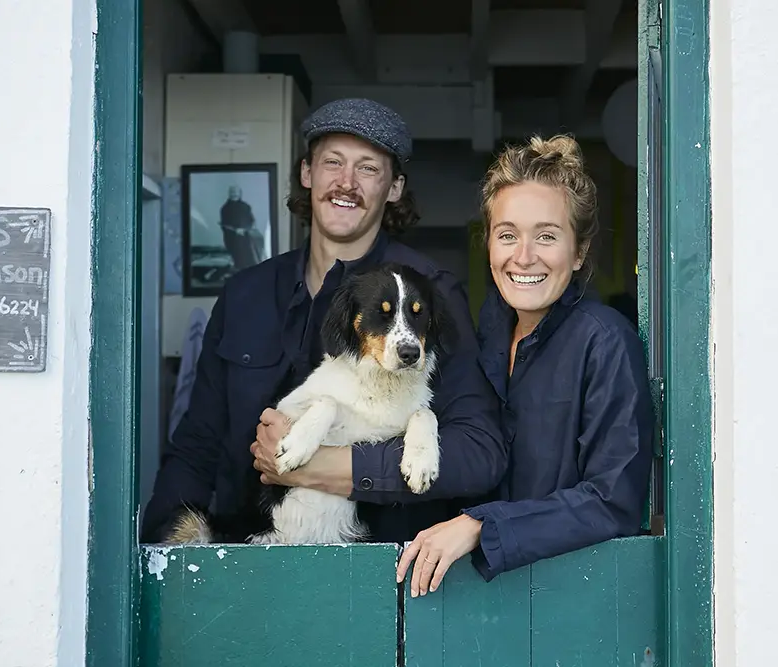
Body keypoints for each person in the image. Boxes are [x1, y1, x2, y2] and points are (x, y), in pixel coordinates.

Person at [141, 98, 508, 544]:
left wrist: (335, 468)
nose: (346, 183)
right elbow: (196, 446)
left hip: (378, 572)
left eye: (368, 168)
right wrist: (160, 550)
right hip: (246, 559)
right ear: (306, 174)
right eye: (332, 162)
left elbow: (480, 453)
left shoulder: (430, 294)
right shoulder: (245, 294)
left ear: (394, 188)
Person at [395, 134, 655, 596]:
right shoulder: (484, 338)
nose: (524, 256)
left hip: (574, 601)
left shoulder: (606, 341)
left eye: (547, 236)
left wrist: (482, 525)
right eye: (508, 235)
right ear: (489, 246)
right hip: (479, 599)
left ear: (578, 253)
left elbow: (614, 501)